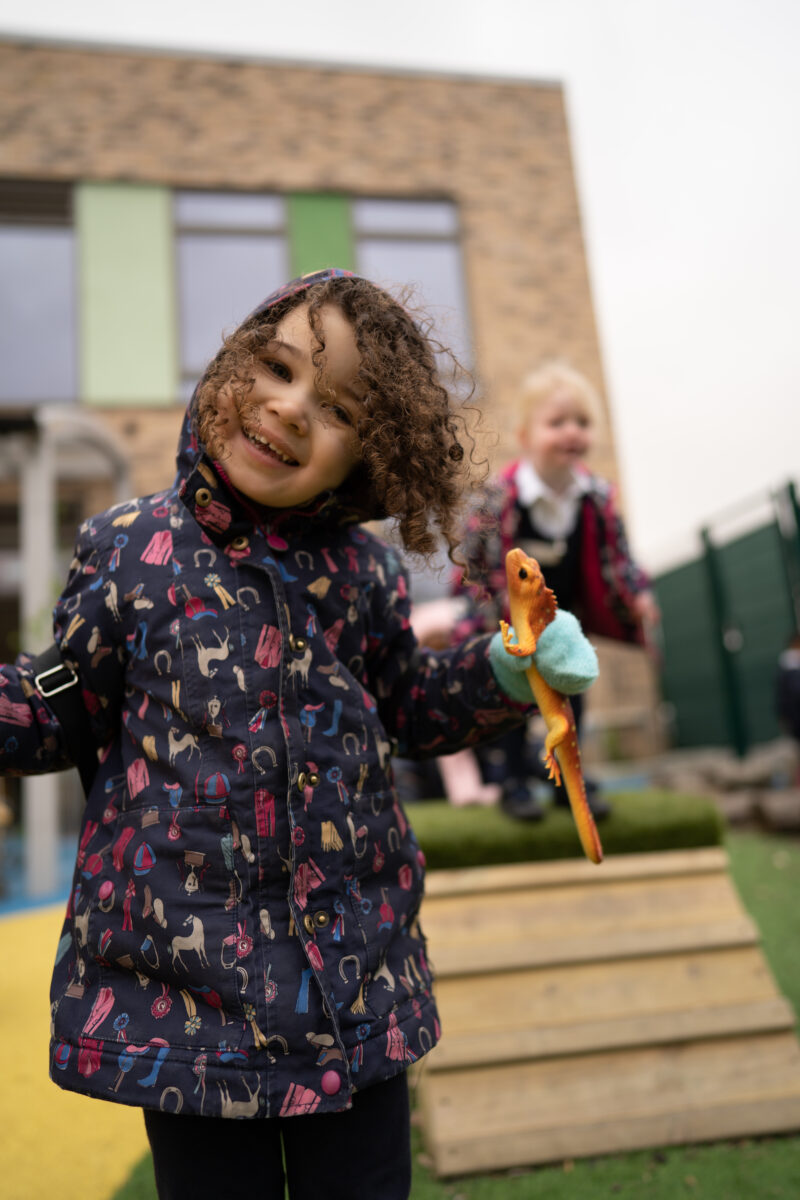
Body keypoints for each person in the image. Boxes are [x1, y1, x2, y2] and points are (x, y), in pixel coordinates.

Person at [0, 271, 598, 1200]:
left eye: (340, 410)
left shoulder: (363, 575)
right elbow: (56, 704)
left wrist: (503, 669)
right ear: (234, 361)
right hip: (190, 1010)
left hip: (357, 988)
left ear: (371, 458)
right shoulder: (128, 549)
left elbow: (405, 700)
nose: (288, 408)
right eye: (276, 366)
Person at [452, 359, 659, 820]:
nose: (572, 432)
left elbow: (621, 556)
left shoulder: (598, 497)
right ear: (525, 435)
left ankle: (569, 783)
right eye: (557, 422)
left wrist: (639, 593)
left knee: (572, 698)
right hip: (506, 621)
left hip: (565, 621)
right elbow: (471, 560)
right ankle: (513, 784)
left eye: (582, 422)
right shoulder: (497, 498)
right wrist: (476, 614)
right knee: (508, 700)